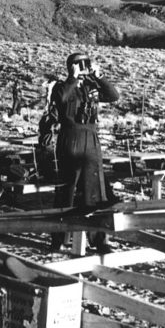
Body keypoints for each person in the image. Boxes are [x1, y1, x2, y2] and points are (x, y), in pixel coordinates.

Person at [48, 52, 119, 254]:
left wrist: (98, 76)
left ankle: (99, 239)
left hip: (91, 139)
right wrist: (72, 77)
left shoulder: (91, 86)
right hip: (70, 139)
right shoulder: (62, 86)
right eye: (79, 64)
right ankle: (59, 237)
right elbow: (61, 98)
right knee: (67, 191)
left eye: (85, 63)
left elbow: (114, 96)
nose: (83, 67)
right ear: (70, 66)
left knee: (94, 191)